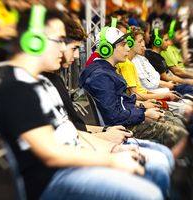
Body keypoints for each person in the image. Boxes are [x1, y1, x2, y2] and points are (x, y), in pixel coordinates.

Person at [0, 5, 166, 200]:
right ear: (34, 41)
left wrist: (112, 148)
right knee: (149, 193)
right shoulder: (16, 89)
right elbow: (51, 153)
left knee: (155, 165)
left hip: (71, 166)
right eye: (59, 40)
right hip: (55, 179)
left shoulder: (41, 82)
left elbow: (71, 132)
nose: (63, 48)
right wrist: (110, 160)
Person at [79, 25, 188, 159]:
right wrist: (143, 114)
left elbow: (120, 103)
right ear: (106, 49)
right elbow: (114, 116)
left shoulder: (106, 71)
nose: (128, 48)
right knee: (179, 133)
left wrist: (141, 107)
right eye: (123, 44)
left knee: (174, 120)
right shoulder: (101, 76)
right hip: (121, 127)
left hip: (126, 118)